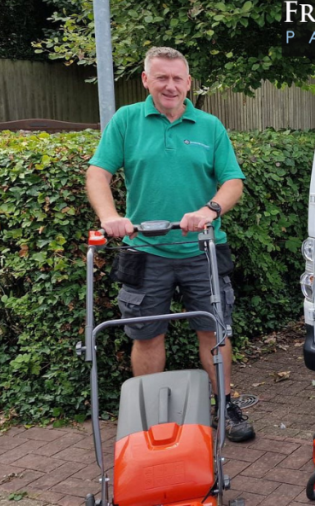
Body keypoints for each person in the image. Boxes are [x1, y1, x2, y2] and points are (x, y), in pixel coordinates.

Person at [85, 46, 254, 442]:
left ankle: (225, 403)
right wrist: (110, 218)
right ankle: (149, 412)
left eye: (178, 78)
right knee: (147, 334)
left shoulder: (210, 126)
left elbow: (233, 182)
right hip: (145, 250)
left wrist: (210, 209)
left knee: (215, 331)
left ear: (188, 82)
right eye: (162, 77)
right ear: (146, 80)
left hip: (202, 250)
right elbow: (98, 175)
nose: (170, 86)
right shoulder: (126, 121)